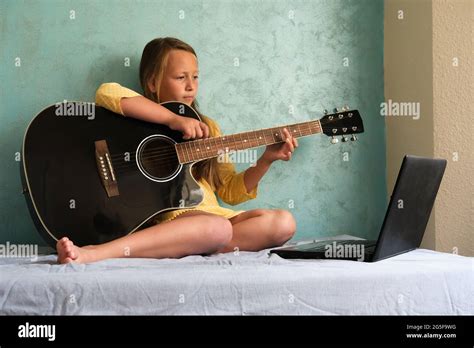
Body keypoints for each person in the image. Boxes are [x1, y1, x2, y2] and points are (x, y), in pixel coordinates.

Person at [56, 37, 298, 264]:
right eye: (181, 77)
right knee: (217, 228)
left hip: (213, 217)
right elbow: (107, 92)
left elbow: (229, 190)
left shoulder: (208, 128)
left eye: (195, 77)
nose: (191, 86)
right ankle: (94, 253)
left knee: (283, 223)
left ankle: (192, 243)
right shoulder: (137, 121)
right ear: (152, 82)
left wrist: (266, 160)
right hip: (171, 216)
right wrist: (174, 120)